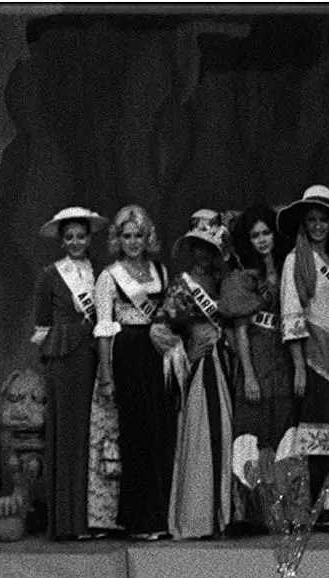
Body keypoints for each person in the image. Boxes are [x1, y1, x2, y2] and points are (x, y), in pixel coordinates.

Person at [281, 184, 329, 527]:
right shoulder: (295, 260)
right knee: (317, 432)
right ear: (303, 224)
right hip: (314, 359)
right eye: (311, 220)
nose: (317, 226)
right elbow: (292, 314)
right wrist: (299, 366)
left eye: (323, 220)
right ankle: (317, 504)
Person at [158, 221, 241, 540]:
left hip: (224, 364)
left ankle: (223, 515)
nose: (204, 254)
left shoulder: (222, 281)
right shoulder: (183, 284)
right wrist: (187, 351)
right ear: (191, 249)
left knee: (224, 437)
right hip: (200, 371)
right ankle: (198, 518)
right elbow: (161, 329)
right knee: (200, 439)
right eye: (199, 247)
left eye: (211, 248)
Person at [95, 204, 173, 539]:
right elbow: (103, 330)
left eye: (138, 235)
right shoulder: (109, 276)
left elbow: (169, 315)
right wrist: (107, 376)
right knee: (135, 436)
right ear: (117, 238)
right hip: (127, 354)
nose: (132, 242)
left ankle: (161, 517)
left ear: (147, 236)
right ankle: (139, 521)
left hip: (158, 354)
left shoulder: (161, 271)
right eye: (126, 236)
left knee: (160, 435)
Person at [29, 206, 103, 539]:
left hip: (93, 356)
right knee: (67, 434)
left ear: (89, 239)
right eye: (69, 236)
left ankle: (92, 518)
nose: (75, 241)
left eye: (81, 236)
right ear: (62, 241)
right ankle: (67, 522)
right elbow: (42, 323)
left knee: (92, 433)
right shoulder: (50, 275)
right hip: (63, 359)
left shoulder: (99, 272)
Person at [226, 204, 294, 493]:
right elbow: (240, 330)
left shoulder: (287, 270)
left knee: (283, 429)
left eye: (267, 233)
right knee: (252, 431)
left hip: (283, 359)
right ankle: (252, 510)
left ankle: (284, 505)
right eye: (256, 236)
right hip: (256, 358)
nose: (263, 240)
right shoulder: (242, 277)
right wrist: (250, 376)